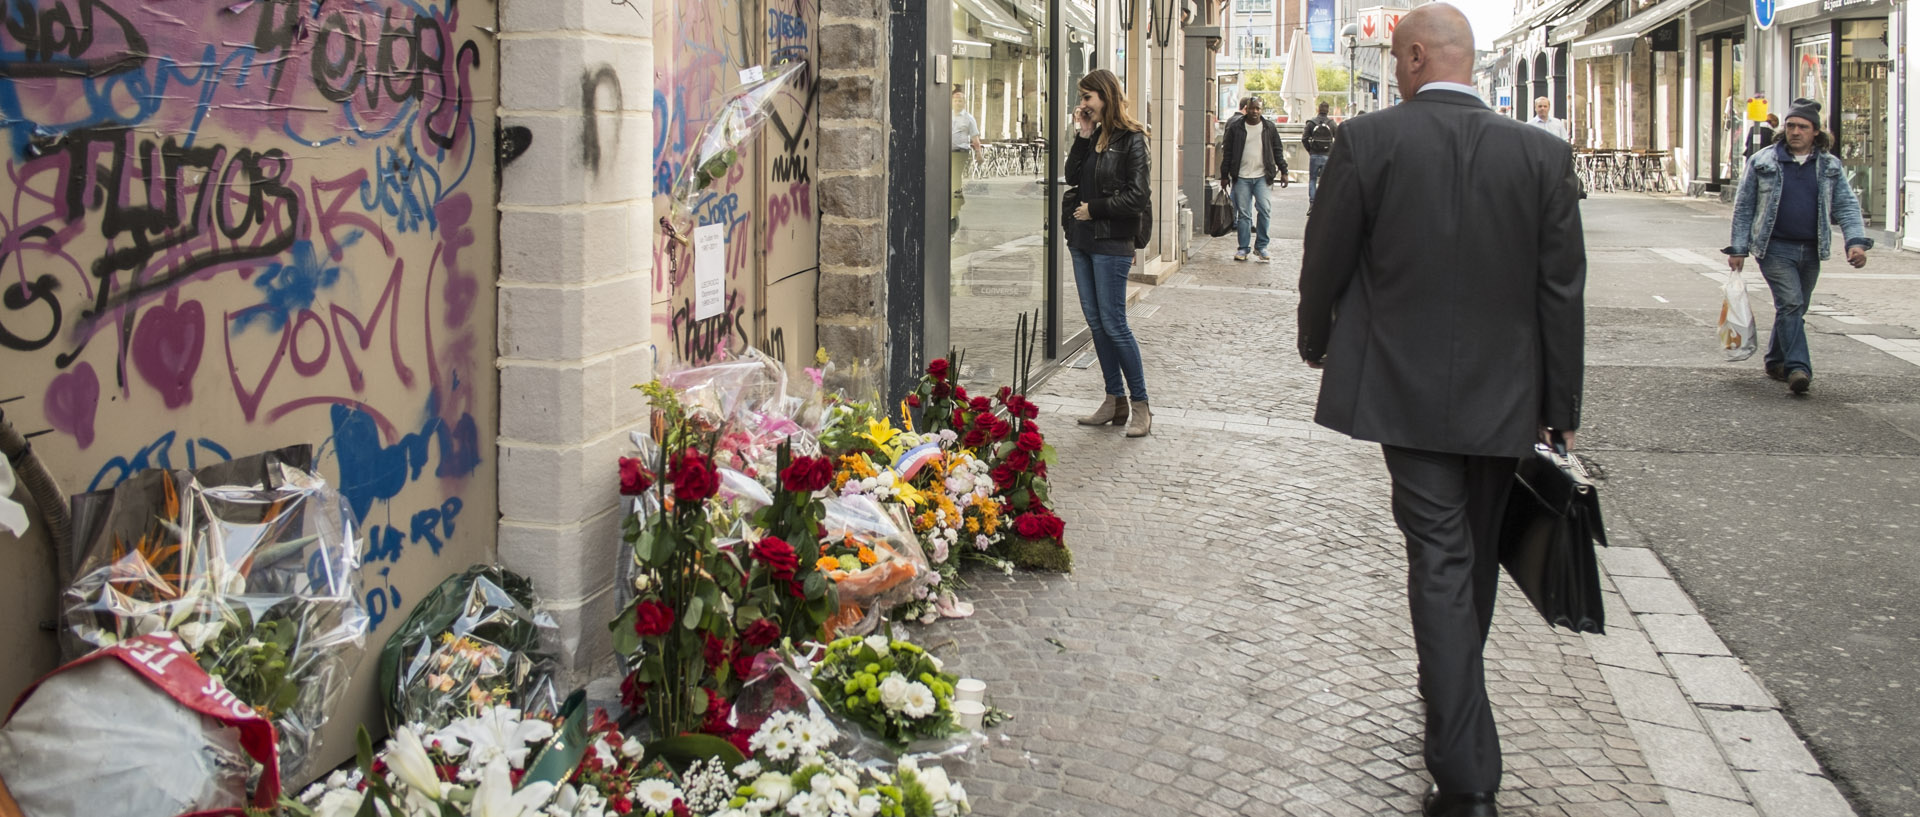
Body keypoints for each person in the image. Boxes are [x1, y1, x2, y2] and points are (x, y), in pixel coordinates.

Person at [1296, 6, 1585, 816]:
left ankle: (1466, 779)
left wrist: (1317, 340)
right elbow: (1562, 291)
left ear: (1419, 57)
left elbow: (1327, 257)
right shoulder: (1541, 155)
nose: (1392, 71)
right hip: (1509, 400)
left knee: (1444, 561)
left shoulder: (1372, 141)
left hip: (1404, 389)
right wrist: (1560, 407)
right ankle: (1453, 716)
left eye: (1395, 58)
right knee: (1468, 559)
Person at [1725, 99, 1872, 395]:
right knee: (1791, 304)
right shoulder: (1763, 161)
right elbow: (1744, 207)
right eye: (1790, 125)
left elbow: (1845, 205)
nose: (1794, 131)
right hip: (1774, 248)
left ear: (1815, 131)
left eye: (1802, 127)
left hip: (1811, 249)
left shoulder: (1829, 166)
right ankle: (1797, 368)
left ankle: (1775, 360)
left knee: (1795, 307)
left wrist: (1856, 243)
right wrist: (1738, 248)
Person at [1066, 68, 1153, 438]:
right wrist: (1083, 136)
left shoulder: (1133, 138)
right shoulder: (1092, 135)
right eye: (1082, 98)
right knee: (1097, 322)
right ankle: (1113, 399)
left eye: (1088, 98)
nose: (1083, 105)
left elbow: (1139, 196)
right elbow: (1072, 176)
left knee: (1115, 323)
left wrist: (1095, 209)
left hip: (1112, 241)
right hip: (1082, 240)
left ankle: (1141, 405)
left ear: (1105, 96)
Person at [1217, 97, 1287, 262]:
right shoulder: (1236, 127)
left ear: (1261, 110)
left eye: (1258, 108)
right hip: (1241, 177)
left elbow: (1278, 149)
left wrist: (1284, 170)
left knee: (1264, 211)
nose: (1255, 111)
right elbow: (1227, 152)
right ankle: (1243, 248)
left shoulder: (1269, 127)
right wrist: (1224, 175)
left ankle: (1261, 246)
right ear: (1246, 109)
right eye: (1252, 108)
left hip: (1263, 176)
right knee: (1244, 215)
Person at [950, 89, 984, 238]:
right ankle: (954, 199)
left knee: (955, 177)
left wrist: (979, 153)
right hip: (945, 152)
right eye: (956, 100)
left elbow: (975, 138)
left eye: (960, 100)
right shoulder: (946, 115)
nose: (958, 103)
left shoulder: (969, 119)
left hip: (960, 153)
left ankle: (957, 201)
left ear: (964, 103)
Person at [1302, 101, 1337, 207]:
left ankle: (1312, 203)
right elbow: (1340, 138)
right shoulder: (1331, 123)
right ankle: (1323, 202)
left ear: (1318, 109)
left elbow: (1304, 138)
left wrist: (1310, 150)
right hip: (1327, 155)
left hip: (1314, 155)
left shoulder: (1311, 123)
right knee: (1325, 180)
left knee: (1312, 179)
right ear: (1328, 110)